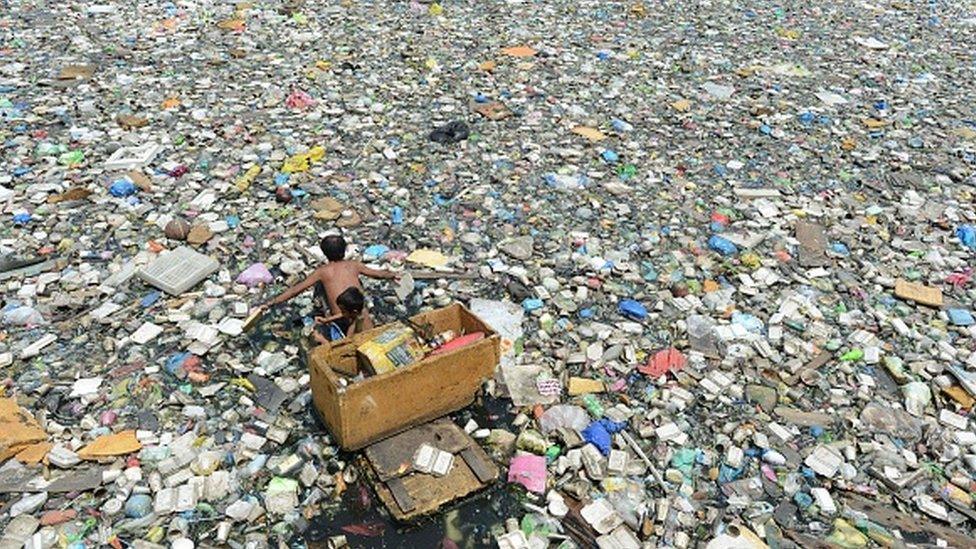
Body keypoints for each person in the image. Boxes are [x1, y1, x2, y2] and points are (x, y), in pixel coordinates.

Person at [256, 235, 397, 331]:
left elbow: (295, 290)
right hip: (358, 313)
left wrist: (270, 303)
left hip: (340, 318)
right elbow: (377, 274)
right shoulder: (354, 265)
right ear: (345, 250)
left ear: (324, 253)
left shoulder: (322, 272)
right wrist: (392, 275)